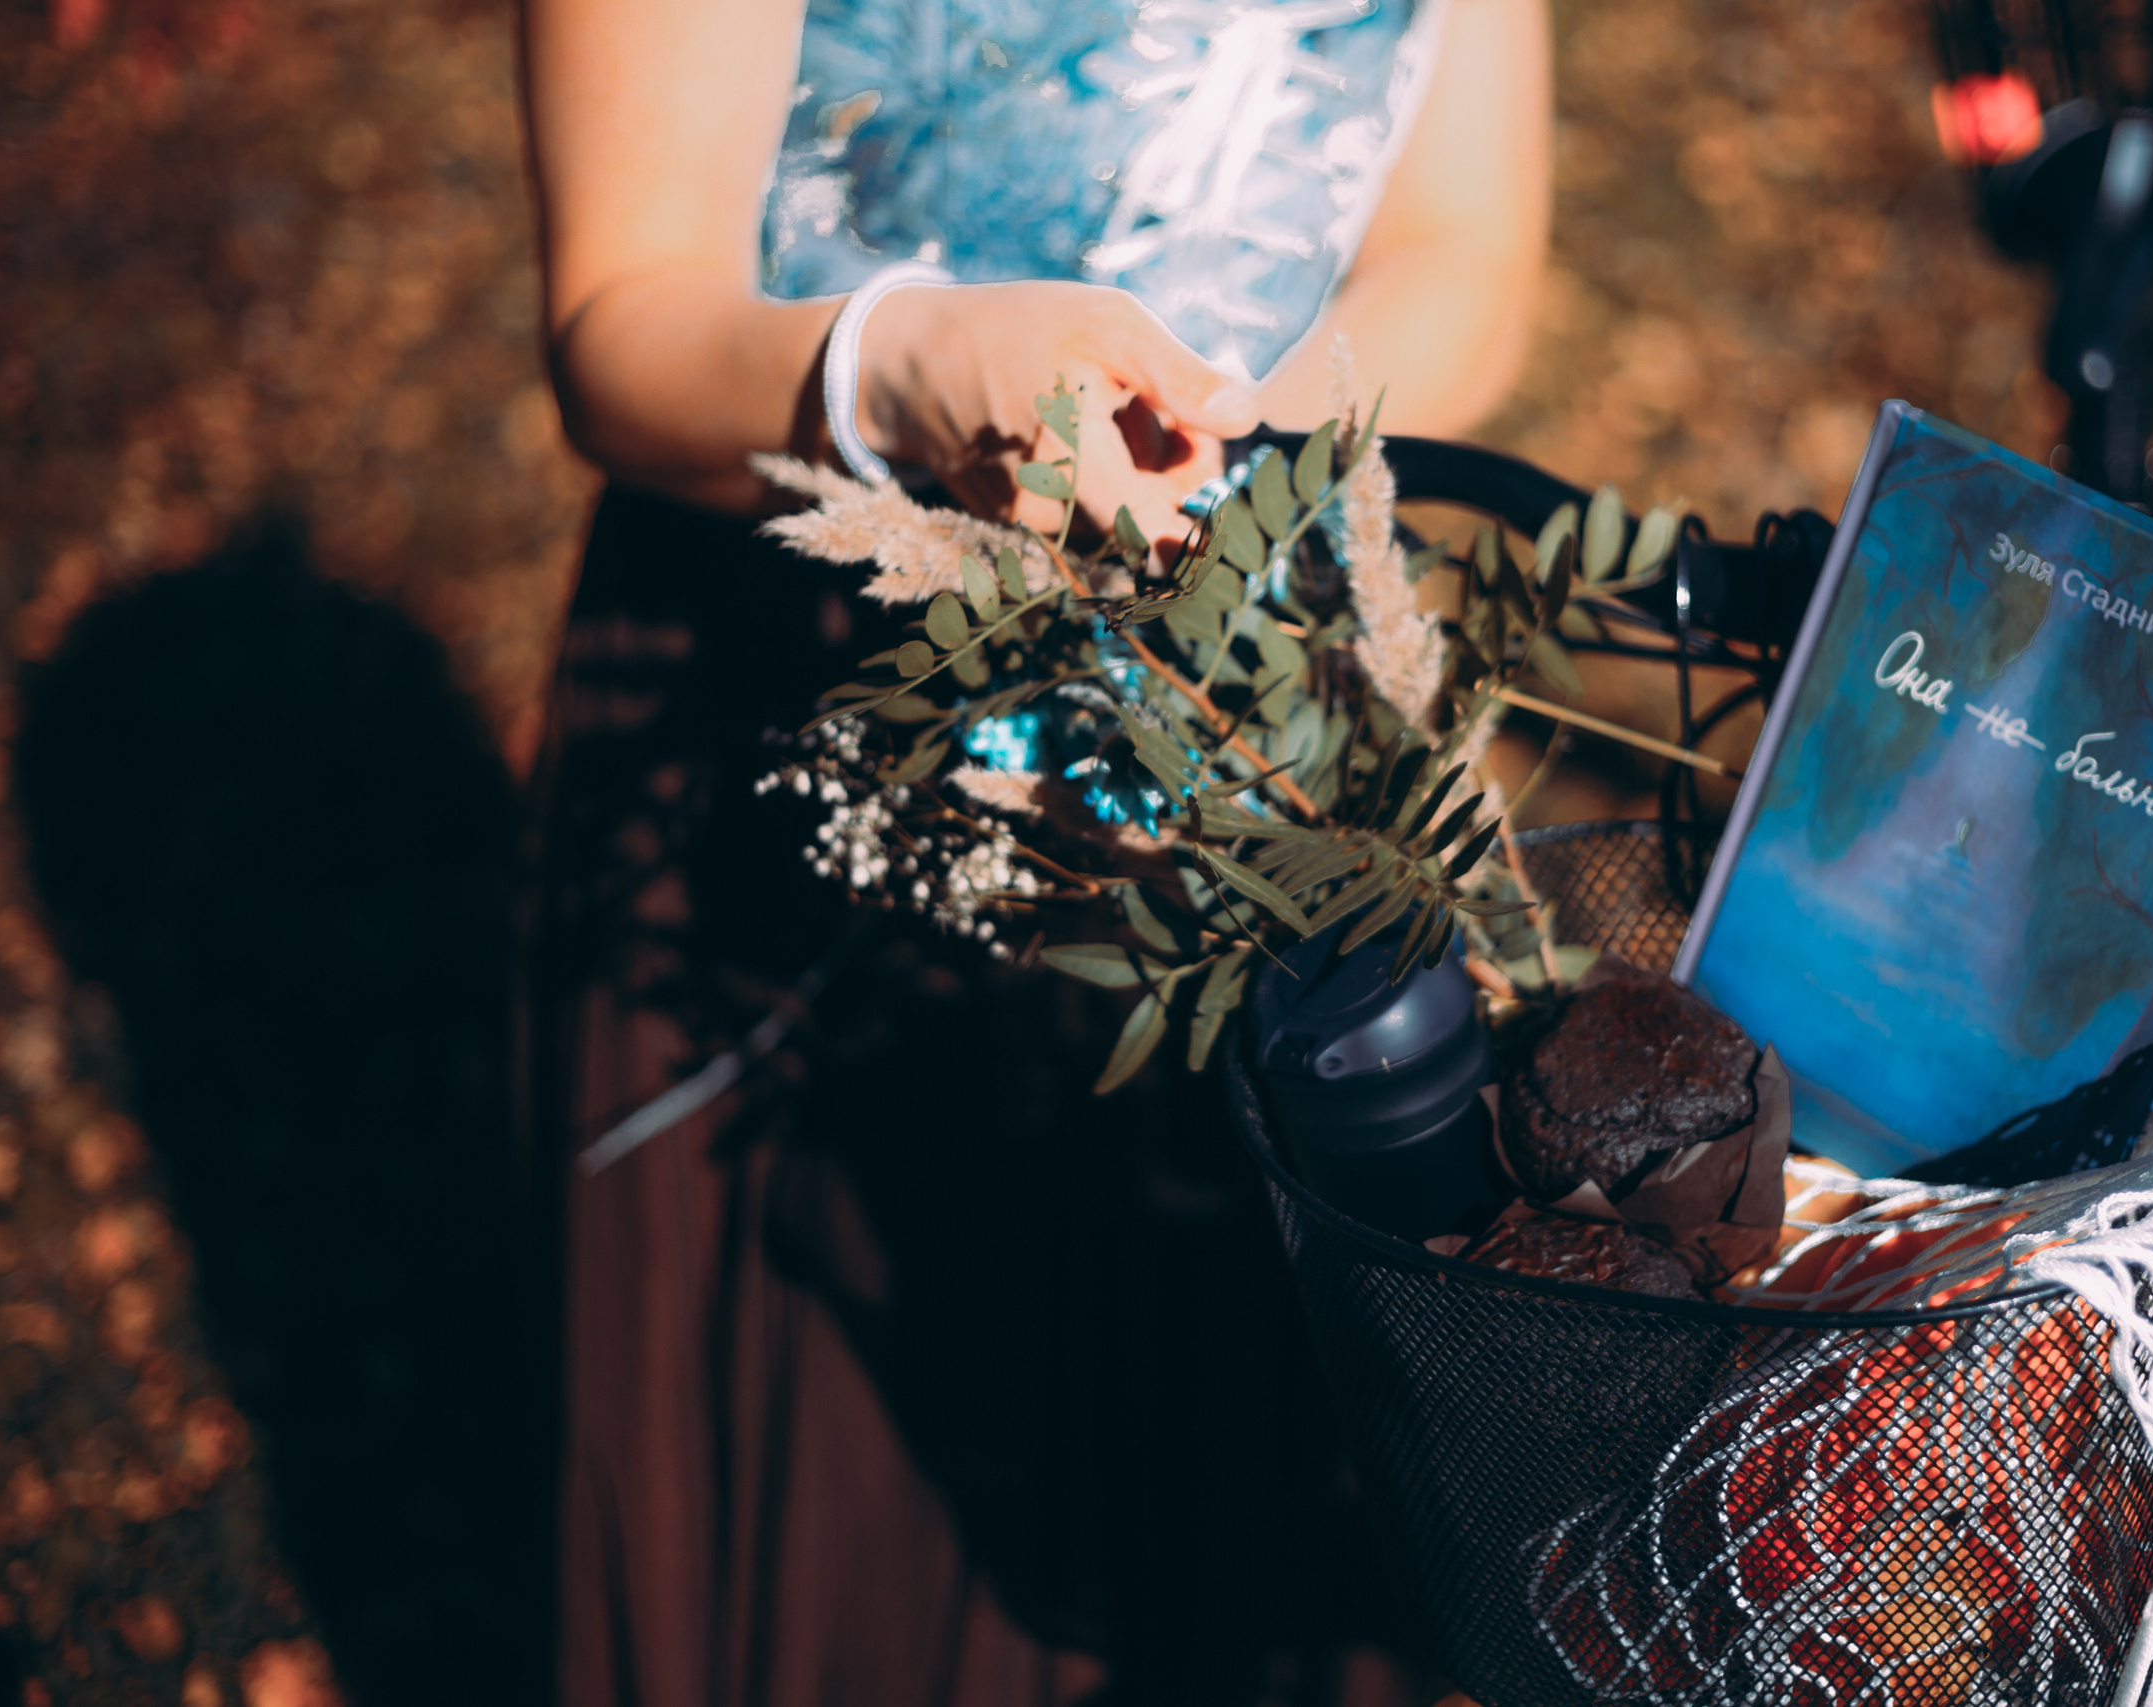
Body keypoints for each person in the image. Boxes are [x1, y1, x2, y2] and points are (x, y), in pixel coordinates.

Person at [518, 3, 1549, 1704]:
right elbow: (620, 323)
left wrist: (1231, 474)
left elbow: (1465, 252)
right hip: (818, 687)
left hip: (1265, 696)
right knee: (857, 1485)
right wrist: (908, 371)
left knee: (1221, 1451)